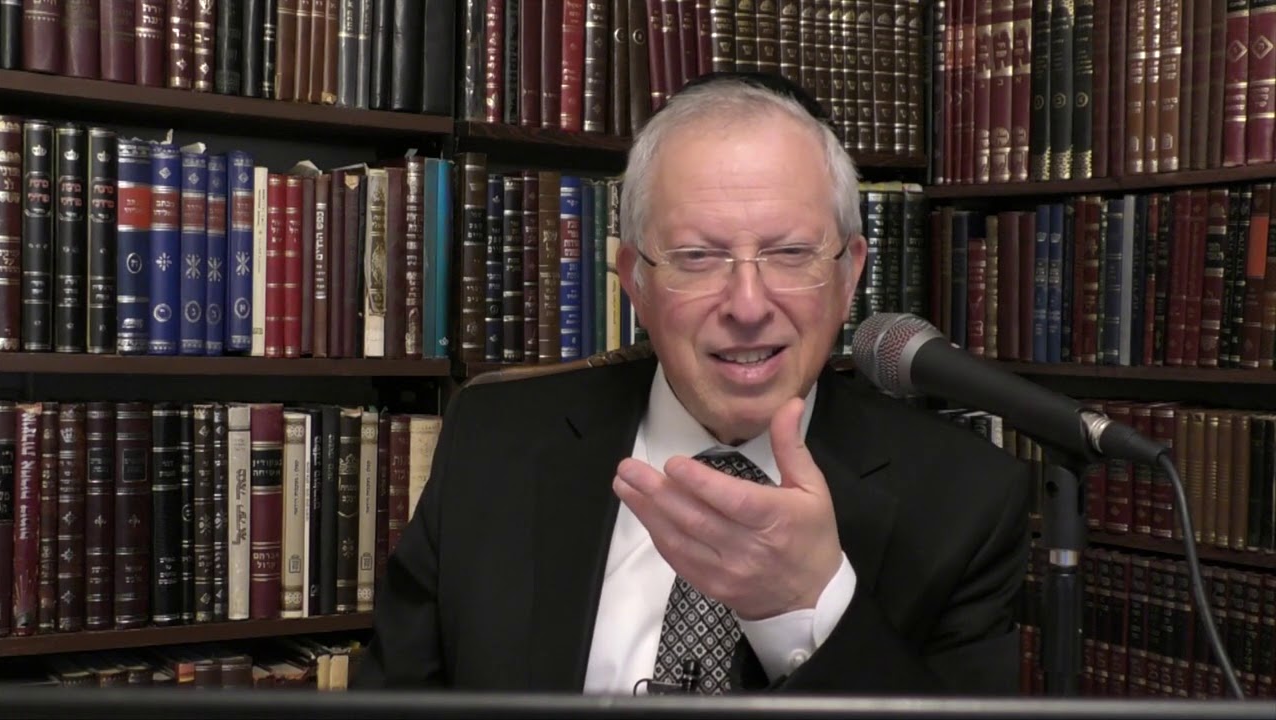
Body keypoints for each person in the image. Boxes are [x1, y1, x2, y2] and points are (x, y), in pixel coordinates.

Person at [352, 72, 1031, 696]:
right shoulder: (492, 441)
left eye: (790, 253)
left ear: (849, 274)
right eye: (698, 257)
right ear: (635, 282)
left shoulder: (967, 503)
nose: (747, 305)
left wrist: (809, 607)